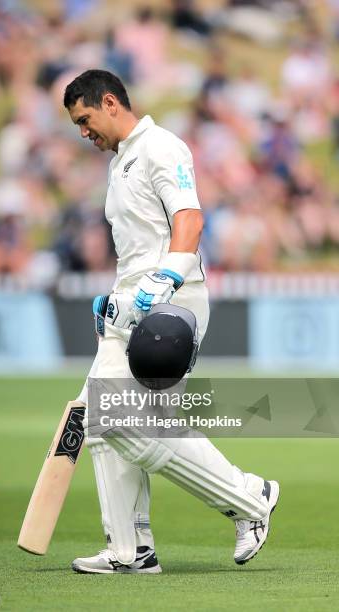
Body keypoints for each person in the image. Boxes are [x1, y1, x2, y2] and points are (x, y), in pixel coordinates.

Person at [63, 69, 279, 574]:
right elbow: (137, 246)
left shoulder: (162, 146)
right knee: (98, 423)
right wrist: (115, 301)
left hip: (170, 304)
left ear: (111, 102)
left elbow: (190, 219)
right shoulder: (120, 162)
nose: (83, 132)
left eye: (85, 119)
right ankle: (130, 550)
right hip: (130, 305)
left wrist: (163, 279)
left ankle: (250, 498)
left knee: (125, 423)